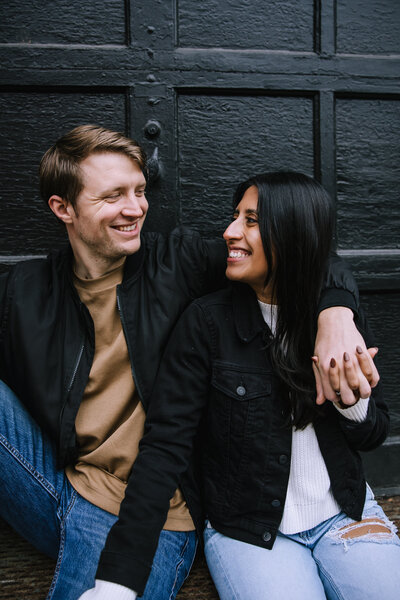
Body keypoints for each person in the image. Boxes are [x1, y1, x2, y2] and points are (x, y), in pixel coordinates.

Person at [0, 124, 378, 600]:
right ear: (63, 208)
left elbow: (302, 251)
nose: (136, 208)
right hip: (59, 478)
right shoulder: (27, 289)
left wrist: (337, 313)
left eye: (139, 191)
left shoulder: (176, 262)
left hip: (153, 503)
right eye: (113, 195)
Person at [114, 172, 400, 600]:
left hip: (345, 511)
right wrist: (119, 577)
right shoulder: (206, 323)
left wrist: (348, 395)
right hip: (248, 529)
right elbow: (165, 444)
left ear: (292, 235)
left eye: (251, 221)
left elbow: (374, 431)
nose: (229, 232)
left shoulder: (336, 320)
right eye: (235, 217)